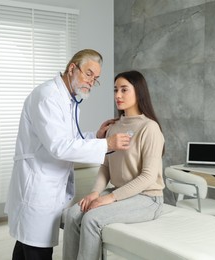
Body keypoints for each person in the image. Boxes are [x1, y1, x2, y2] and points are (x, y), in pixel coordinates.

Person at [4, 49, 132, 260]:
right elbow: (59, 146)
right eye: (89, 74)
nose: (91, 82)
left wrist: (96, 136)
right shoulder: (48, 97)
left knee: (26, 245)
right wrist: (107, 143)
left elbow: (69, 138)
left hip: (45, 184)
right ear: (73, 68)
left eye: (96, 79)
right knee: (37, 248)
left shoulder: (68, 99)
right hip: (37, 186)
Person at [62, 70, 165, 260]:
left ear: (139, 92)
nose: (118, 95)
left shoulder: (149, 128)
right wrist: (94, 193)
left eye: (124, 90)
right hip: (121, 192)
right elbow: (106, 166)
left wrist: (110, 198)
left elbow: (148, 177)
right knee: (72, 214)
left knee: (92, 219)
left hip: (148, 199)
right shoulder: (114, 127)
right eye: (115, 90)